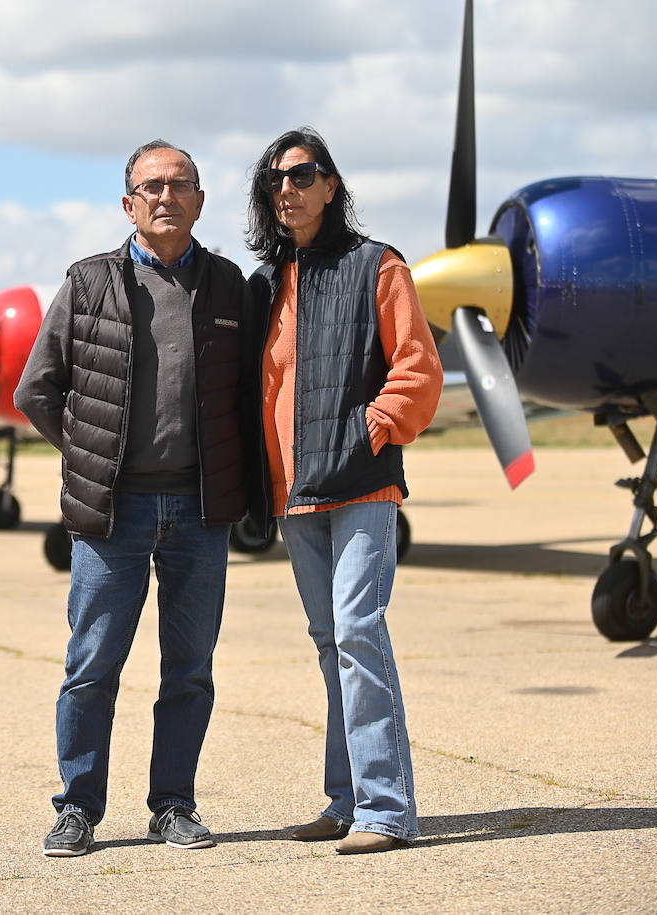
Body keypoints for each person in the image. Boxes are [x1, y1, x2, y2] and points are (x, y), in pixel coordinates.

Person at [15, 139, 256, 857]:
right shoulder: (88, 282)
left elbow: (247, 397)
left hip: (199, 513)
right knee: (91, 666)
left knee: (190, 669)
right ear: (128, 204)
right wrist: (91, 458)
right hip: (112, 514)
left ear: (200, 201)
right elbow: (37, 388)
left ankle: (174, 804)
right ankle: (77, 808)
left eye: (180, 184)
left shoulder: (228, 286)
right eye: (151, 186)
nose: (165, 196)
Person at [244, 128, 443, 854]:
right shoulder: (266, 284)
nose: (287, 189)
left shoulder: (377, 266)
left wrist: (374, 430)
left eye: (302, 175)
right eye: (275, 181)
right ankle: (345, 799)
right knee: (332, 643)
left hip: (359, 482)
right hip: (294, 495)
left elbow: (418, 368)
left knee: (359, 631)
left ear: (331, 185)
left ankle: (386, 808)